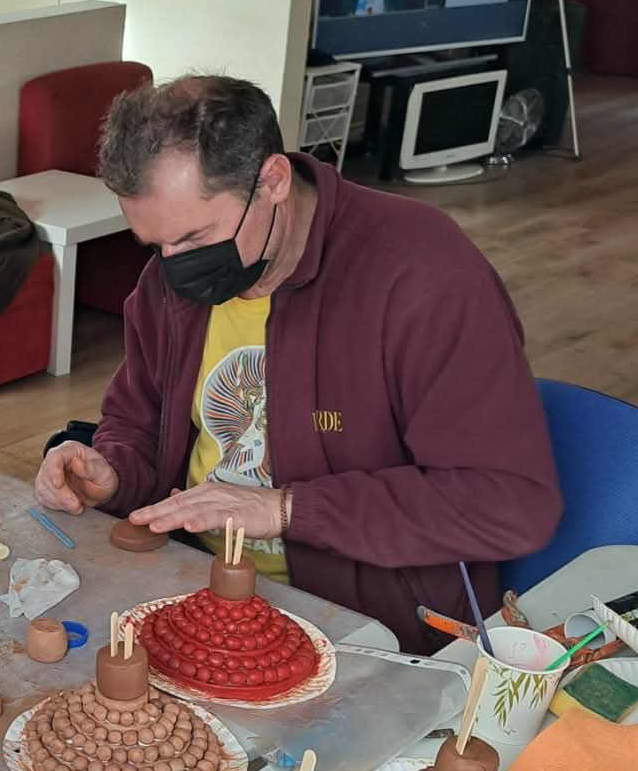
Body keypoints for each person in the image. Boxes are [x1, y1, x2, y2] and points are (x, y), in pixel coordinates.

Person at [33, 75, 560, 653]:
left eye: (195, 238)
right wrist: (111, 470)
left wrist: (288, 510)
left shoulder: (425, 277)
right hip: (196, 587)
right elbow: (138, 422)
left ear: (273, 181)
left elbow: (509, 503)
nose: (174, 265)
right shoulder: (173, 280)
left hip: (366, 625)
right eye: (155, 245)